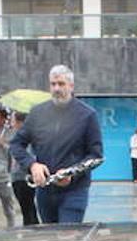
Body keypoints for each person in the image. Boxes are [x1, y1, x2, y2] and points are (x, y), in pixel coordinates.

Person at [10, 65, 103, 224]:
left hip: (75, 191)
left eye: (61, 84)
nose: (56, 88)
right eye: (53, 84)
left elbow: (96, 155)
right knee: (51, 239)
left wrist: (72, 174)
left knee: (68, 235)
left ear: (71, 86)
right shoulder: (38, 113)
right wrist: (32, 165)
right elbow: (16, 145)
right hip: (45, 189)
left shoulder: (87, 115)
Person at [9, 112, 37, 225]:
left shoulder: (25, 137)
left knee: (28, 209)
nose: (11, 124)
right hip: (17, 177)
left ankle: (32, 230)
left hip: (23, 178)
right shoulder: (17, 136)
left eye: (12, 121)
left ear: (19, 122)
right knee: (28, 209)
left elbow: (28, 156)